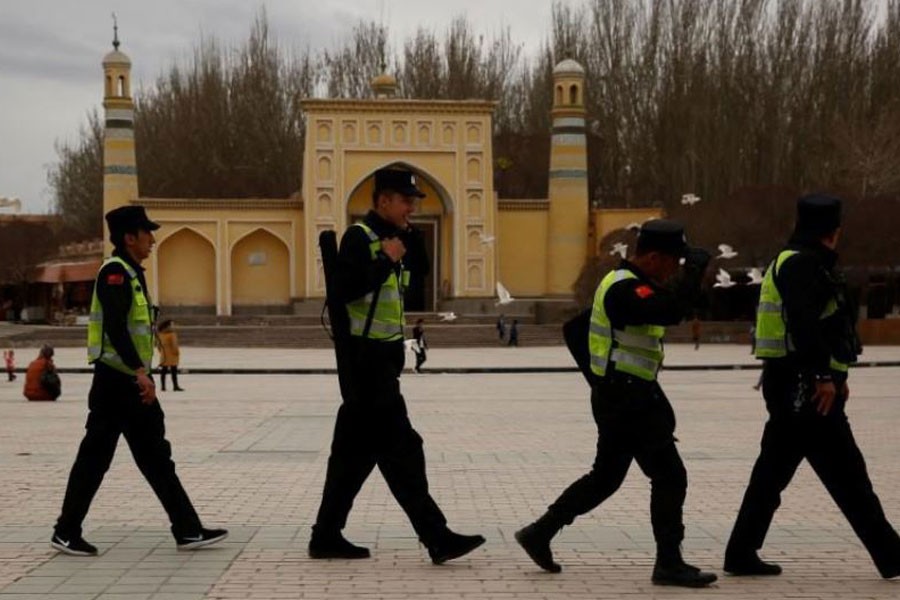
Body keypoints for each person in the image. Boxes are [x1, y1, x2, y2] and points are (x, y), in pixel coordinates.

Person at [515, 219, 717, 588]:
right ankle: (669, 563)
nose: (675, 269)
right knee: (670, 475)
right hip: (630, 399)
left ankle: (539, 532)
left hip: (621, 396)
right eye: (674, 262)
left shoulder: (630, 284)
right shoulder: (626, 290)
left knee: (605, 478)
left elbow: (578, 329)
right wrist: (694, 273)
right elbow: (667, 312)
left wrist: (599, 378)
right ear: (654, 258)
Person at [310, 168, 485, 564]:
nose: (412, 207)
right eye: (406, 201)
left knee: (352, 457)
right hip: (365, 360)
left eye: (414, 201)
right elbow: (343, 292)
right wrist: (385, 260)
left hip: (384, 359)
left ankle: (325, 534)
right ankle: (436, 536)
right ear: (383, 201)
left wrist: (407, 236)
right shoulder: (359, 238)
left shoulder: (398, 237)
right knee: (403, 450)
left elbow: (420, 271)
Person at [723, 194, 900, 579]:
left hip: (793, 381)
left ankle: (740, 552)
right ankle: (891, 555)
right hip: (802, 384)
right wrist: (823, 377)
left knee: (773, 472)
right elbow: (805, 326)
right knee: (848, 475)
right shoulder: (803, 265)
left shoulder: (795, 260)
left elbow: (826, 324)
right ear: (833, 231)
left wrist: (838, 376)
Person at [51, 205, 227, 557]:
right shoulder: (115, 273)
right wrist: (140, 372)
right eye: (147, 233)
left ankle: (187, 529)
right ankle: (67, 530)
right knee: (100, 457)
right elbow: (116, 329)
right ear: (129, 237)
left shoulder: (131, 272)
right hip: (117, 382)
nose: (153, 239)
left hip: (124, 381)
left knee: (152, 456)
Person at [155, 319, 184, 391]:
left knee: (163, 371)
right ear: (168, 326)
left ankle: (163, 386)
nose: (173, 326)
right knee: (173, 371)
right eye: (172, 325)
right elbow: (174, 345)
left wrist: (161, 352)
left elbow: (158, 345)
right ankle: (175, 386)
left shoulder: (160, 334)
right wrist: (177, 352)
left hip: (164, 355)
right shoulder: (172, 334)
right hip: (172, 355)